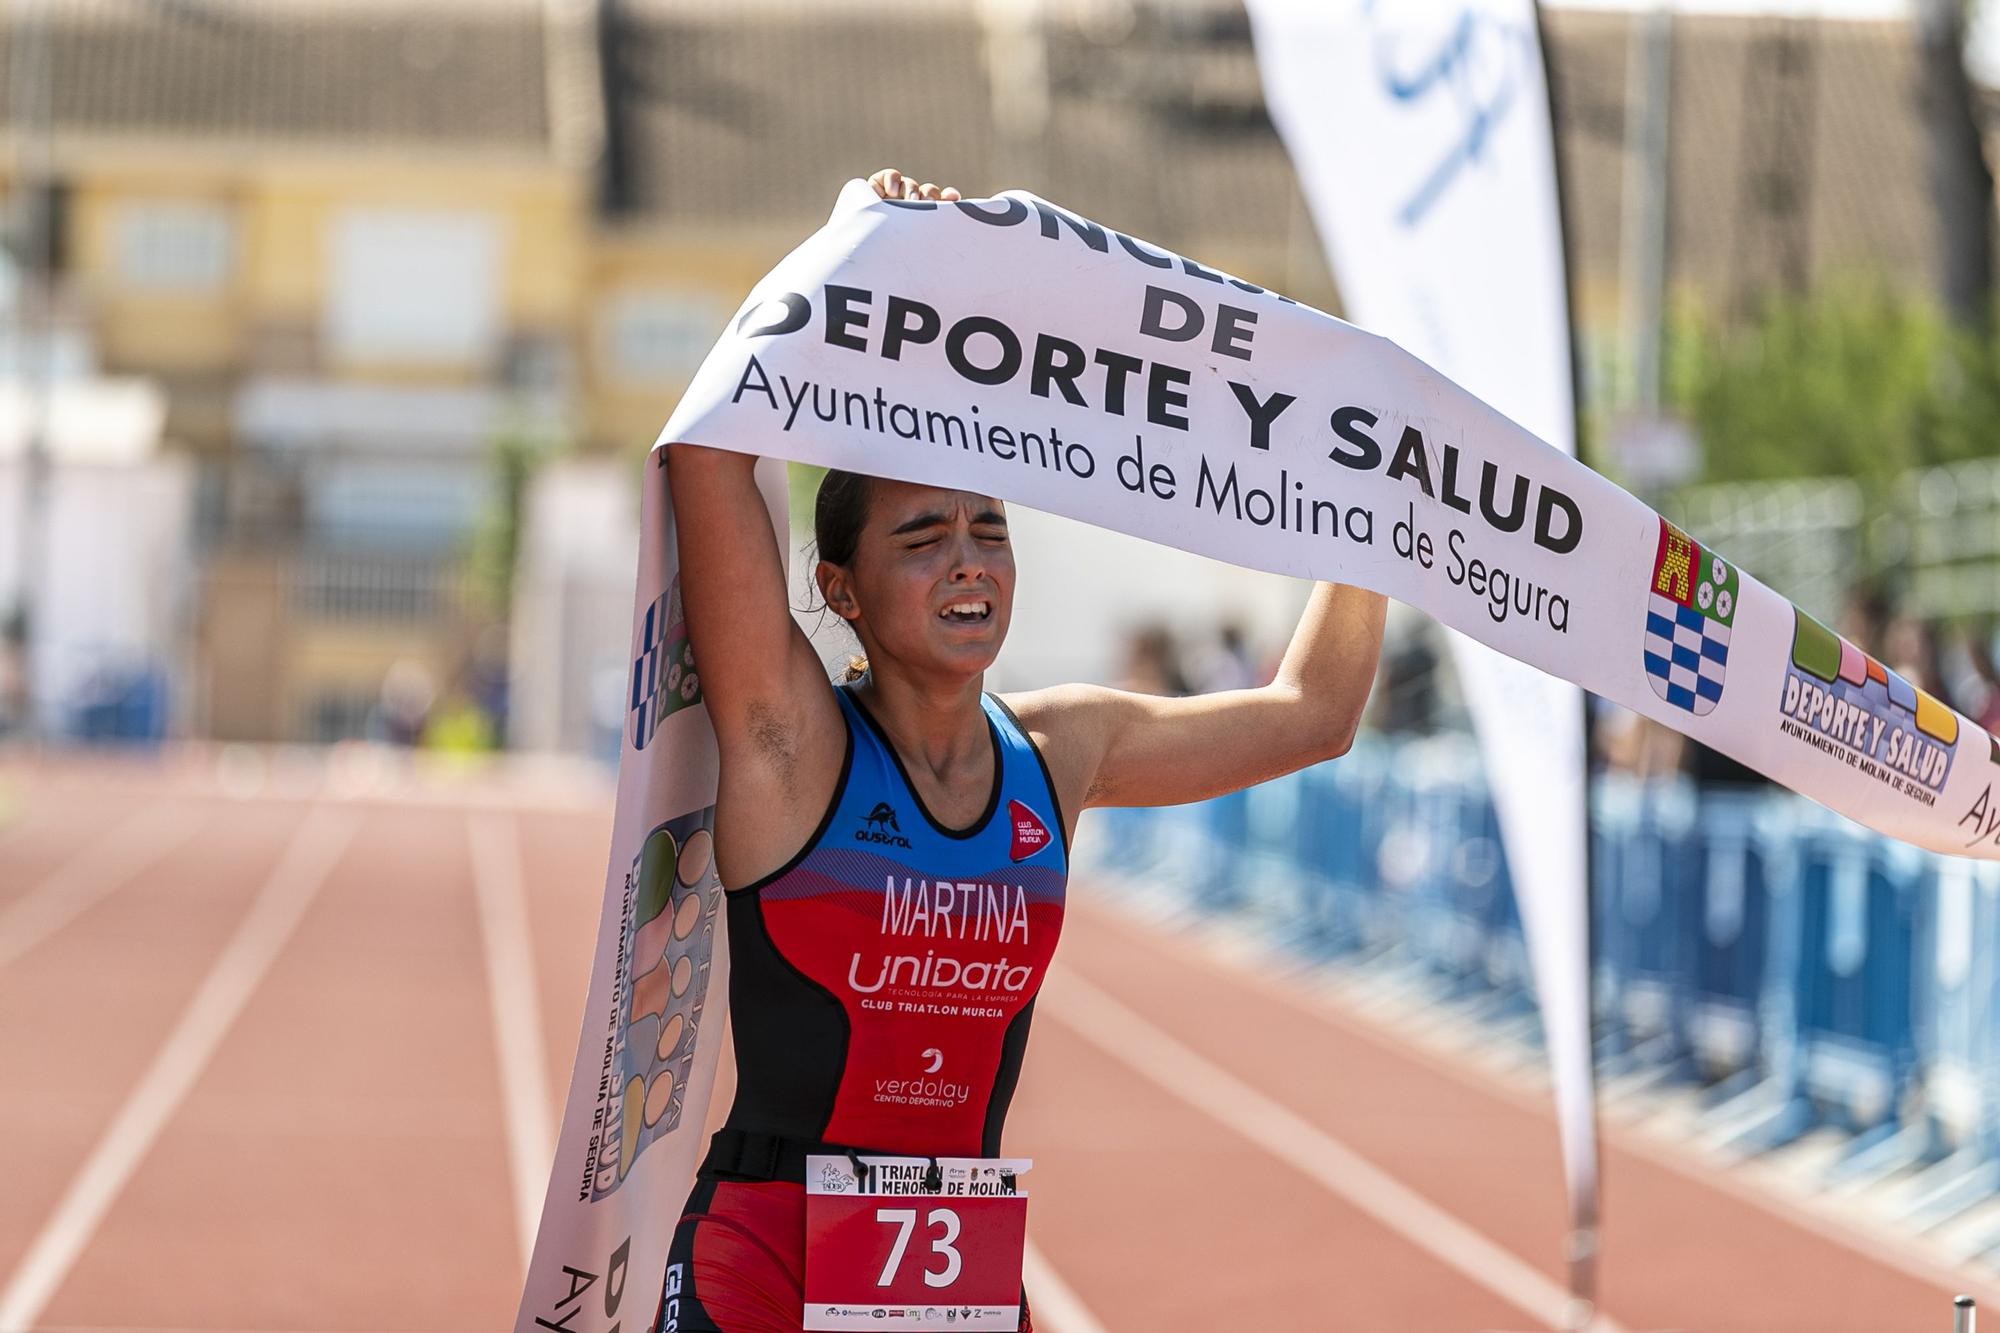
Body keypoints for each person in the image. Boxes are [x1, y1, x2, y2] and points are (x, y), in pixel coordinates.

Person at [653, 167, 1387, 1333]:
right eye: (923, 536)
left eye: (989, 529)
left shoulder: (1059, 751)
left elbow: (1312, 711)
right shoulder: (791, 744)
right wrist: (861, 246)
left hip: (955, 1278)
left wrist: (1377, 508)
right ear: (836, 586)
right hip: (768, 1260)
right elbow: (709, 453)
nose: (968, 561)